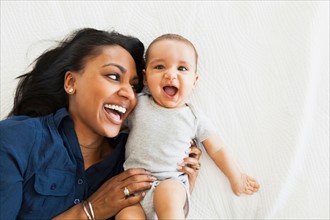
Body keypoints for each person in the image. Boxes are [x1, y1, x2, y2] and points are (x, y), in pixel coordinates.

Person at [0, 28, 202, 220]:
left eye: (134, 86)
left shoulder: (128, 163)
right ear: (71, 82)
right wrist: (90, 211)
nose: (129, 94)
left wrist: (178, 187)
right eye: (113, 76)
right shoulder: (17, 138)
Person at [116, 34, 260, 220]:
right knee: (125, 215)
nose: (170, 74)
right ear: (145, 77)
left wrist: (235, 176)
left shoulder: (193, 116)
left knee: (167, 195)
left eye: (182, 68)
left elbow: (216, 148)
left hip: (171, 182)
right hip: (135, 187)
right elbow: (115, 127)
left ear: (194, 80)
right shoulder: (137, 105)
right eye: (159, 67)